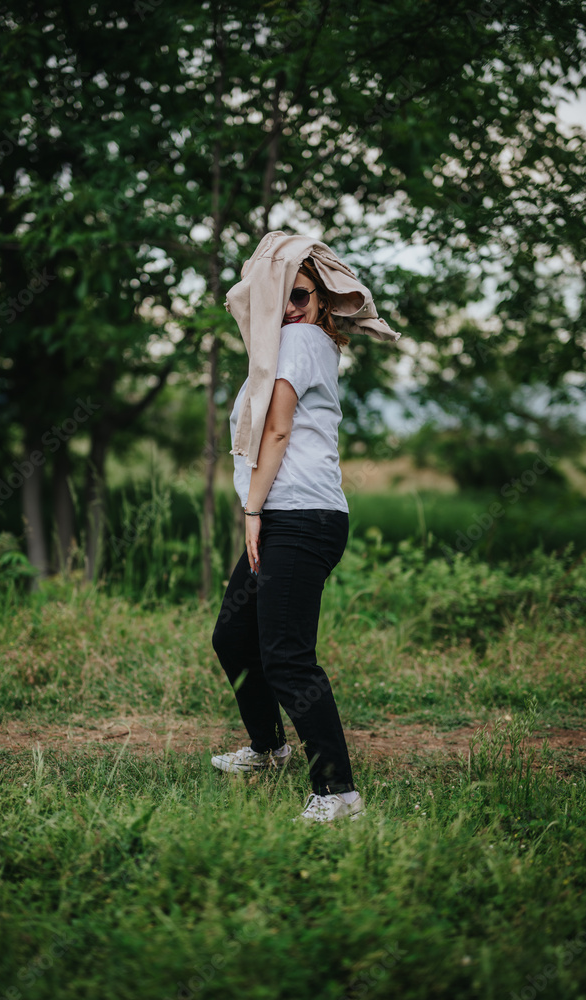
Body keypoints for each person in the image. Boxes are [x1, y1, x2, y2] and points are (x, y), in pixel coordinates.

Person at [210, 231, 399, 823]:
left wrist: (251, 511)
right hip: (290, 516)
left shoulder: (297, 339)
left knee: (287, 655)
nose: (292, 306)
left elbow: (277, 431)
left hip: (297, 517)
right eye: (282, 296)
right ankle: (269, 749)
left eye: (301, 294)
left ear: (318, 297)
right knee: (235, 638)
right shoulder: (293, 341)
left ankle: (337, 792)